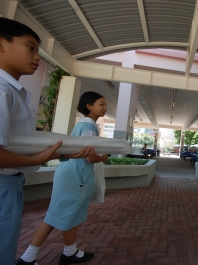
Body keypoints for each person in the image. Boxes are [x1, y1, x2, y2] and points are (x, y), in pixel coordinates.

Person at [0, 17, 95, 265]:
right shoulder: (2, 90)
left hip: (12, 181)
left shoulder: (14, 91)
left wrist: (57, 155)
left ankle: (66, 251)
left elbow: (18, 144)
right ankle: (41, 255)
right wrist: (42, 157)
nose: (37, 56)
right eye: (30, 47)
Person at [16, 92, 109, 265]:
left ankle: (69, 251)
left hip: (67, 173)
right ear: (89, 106)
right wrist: (104, 157)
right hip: (77, 177)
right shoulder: (90, 127)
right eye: (101, 104)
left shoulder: (82, 124)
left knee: (66, 214)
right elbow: (89, 157)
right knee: (59, 216)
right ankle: (28, 257)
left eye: (105, 105)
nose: (104, 108)